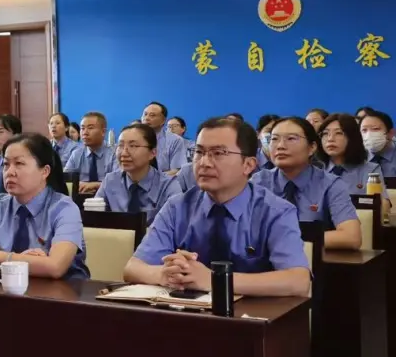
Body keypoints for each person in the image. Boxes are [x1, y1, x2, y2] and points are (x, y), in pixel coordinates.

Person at [123, 117, 310, 297]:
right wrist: (165, 274)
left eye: (218, 153)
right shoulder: (177, 207)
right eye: (199, 152)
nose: (204, 163)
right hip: (186, 312)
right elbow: (133, 268)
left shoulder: (275, 211)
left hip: (252, 315)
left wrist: (215, 280)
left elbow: (298, 281)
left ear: (248, 165)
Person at [0, 133, 89, 280]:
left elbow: (55, 267)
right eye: (6, 164)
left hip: (60, 291)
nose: (9, 172)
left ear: (44, 171)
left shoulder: (64, 208)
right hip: (5, 289)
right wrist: (20, 261)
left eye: (19, 163)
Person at [252, 117, 360, 250]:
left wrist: (288, 238)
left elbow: (351, 237)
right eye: (274, 139)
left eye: (291, 138)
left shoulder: (330, 184)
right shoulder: (259, 182)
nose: (280, 146)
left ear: (312, 147)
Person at [95, 123, 177, 223]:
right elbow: (95, 219)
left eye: (133, 146)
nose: (124, 153)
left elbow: (175, 225)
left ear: (152, 153)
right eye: (120, 145)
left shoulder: (168, 186)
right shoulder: (110, 181)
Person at [318, 113, 390, 216]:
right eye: (325, 133)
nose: (330, 139)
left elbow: (382, 205)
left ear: (352, 137)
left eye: (339, 133)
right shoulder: (313, 170)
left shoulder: (370, 170)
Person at [64, 112, 115, 193]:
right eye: (82, 128)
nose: (85, 133)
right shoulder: (76, 154)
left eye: (90, 128)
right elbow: (66, 180)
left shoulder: (113, 154)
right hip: (80, 197)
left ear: (103, 132)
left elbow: (119, 182)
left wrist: (95, 185)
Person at [140, 101, 188, 175]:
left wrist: (152, 178)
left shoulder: (175, 140)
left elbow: (177, 170)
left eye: (152, 115)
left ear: (163, 121)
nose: (146, 118)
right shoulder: (131, 137)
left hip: (163, 181)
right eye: (145, 114)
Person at [360, 109, 396, 177]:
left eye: (375, 129)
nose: (369, 134)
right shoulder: (356, 159)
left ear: (390, 133)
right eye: (364, 130)